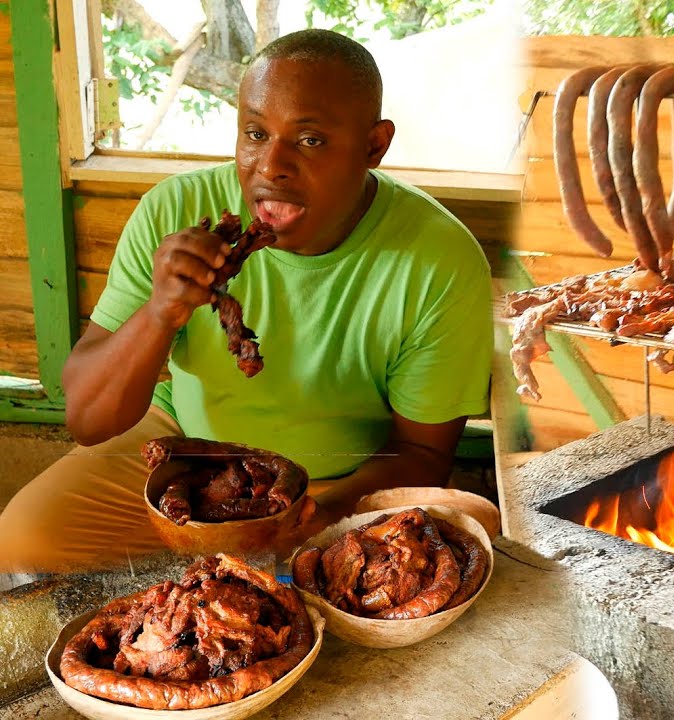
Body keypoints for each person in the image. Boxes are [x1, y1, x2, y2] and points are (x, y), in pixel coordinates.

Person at [0, 29, 494, 575]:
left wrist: (320, 516)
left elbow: (423, 455)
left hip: (333, 480)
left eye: (310, 140)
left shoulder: (440, 260)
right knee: (20, 544)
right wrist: (161, 312)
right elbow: (89, 421)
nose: (271, 165)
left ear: (374, 146)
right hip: (181, 448)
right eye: (255, 132)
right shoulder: (178, 210)